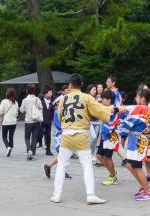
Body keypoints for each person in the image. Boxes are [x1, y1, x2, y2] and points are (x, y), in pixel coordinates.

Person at [51, 73, 117, 205]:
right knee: (86, 165)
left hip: (66, 136)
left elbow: (59, 117)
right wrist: (115, 110)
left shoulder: (63, 99)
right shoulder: (86, 97)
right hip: (81, 135)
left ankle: (56, 195)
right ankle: (90, 195)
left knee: (61, 165)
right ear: (81, 85)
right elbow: (100, 110)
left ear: (70, 85)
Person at [123, 89, 150, 201]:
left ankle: (147, 191)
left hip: (137, 140)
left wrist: (123, 116)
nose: (135, 98)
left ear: (142, 98)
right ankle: (144, 186)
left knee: (136, 167)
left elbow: (127, 123)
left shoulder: (139, 108)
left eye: (137, 96)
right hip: (139, 139)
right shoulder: (146, 108)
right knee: (129, 165)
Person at [43, 95, 73, 180]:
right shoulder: (57, 112)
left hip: (63, 134)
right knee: (63, 155)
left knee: (63, 155)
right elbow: (59, 125)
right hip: (61, 135)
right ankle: (55, 169)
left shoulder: (61, 111)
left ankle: (49, 166)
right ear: (57, 103)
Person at [96, 89, 120, 185]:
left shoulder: (113, 109)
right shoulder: (107, 108)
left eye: (103, 99)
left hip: (110, 136)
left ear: (109, 100)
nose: (102, 100)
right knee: (99, 156)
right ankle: (112, 172)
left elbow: (111, 124)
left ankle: (113, 176)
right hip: (104, 136)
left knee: (107, 157)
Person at [20, 84, 42, 160]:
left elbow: (22, 110)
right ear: (34, 90)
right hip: (36, 121)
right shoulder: (37, 99)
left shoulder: (25, 100)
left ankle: (29, 150)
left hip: (28, 121)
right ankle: (33, 152)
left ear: (27, 91)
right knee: (34, 138)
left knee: (27, 137)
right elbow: (41, 108)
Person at [0, 88, 18, 157]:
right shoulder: (16, 102)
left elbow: (0, 112)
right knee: (11, 136)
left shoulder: (3, 101)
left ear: (7, 94)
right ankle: (10, 148)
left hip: (6, 122)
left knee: (4, 136)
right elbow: (17, 113)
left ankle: (8, 147)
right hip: (13, 122)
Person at [40, 86, 55, 156]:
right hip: (41, 121)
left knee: (48, 136)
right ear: (45, 94)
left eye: (51, 92)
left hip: (48, 121)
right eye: (50, 92)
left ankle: (48, 150)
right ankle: (35, 144)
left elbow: (53, 111)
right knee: (40, 134)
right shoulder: (40, 101)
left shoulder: (53, 101)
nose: (51, 94)